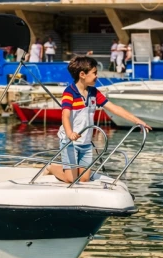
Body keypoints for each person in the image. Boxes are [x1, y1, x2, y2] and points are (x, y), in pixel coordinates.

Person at [47, 56, 151, 184]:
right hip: (70, 142)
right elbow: (65, 115)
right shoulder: (69, 92)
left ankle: (67, 169)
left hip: (86, 142)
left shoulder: (94, 93)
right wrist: (69, 133)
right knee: (71, 179)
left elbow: (114, 108)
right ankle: (52, 167)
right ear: (82, 75)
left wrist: (137, 121)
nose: (97, 76)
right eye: (94, 73)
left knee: (84, 179)